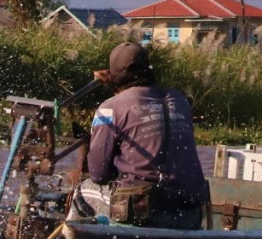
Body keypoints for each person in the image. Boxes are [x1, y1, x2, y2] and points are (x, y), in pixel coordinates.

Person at [84, 42, 210, 229]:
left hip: (143, 212)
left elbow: (98, 173)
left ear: (114, 75)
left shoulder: (110, 108)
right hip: (189, 214)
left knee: (82, 192)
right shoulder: (180, 100)